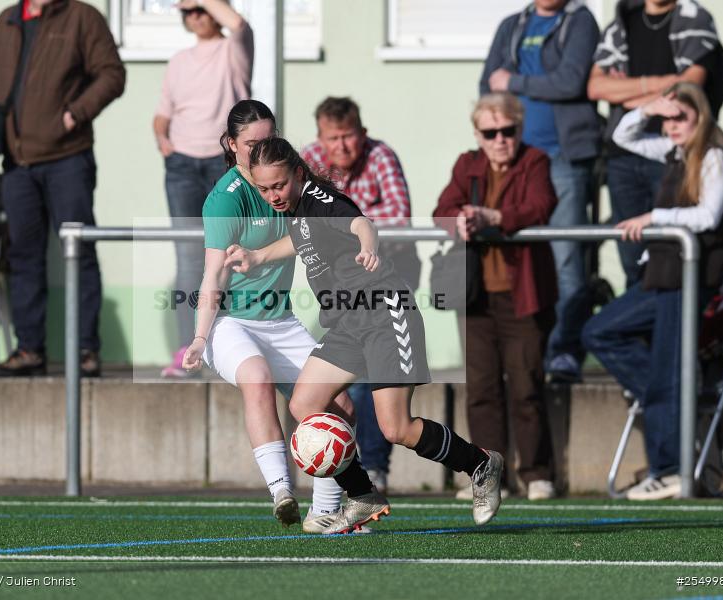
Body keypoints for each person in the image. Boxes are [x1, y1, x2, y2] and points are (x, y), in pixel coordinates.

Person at [225, 136, 505, 535]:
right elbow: (302, 239)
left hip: (385, 315)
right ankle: (362, 494)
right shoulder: (297, 209)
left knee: (397, 429)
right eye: (264, 188)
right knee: (304, 405)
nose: (273, 195)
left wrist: (368, 245)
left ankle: (480, 464)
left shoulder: (319, 198)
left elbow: (359, 222)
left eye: (279, 185)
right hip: (347, 324)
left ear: (299, 174)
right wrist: (257, 256)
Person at [181, 100, 350, 534]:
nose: (260, 151)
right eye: (251, 143)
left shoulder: (289, 180)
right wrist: (200, 339)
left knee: (339, 403)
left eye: (268, 141)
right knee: (256, 377)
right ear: (231, 144)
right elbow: (212, 273)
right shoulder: (226, 200)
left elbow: (318, 226)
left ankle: (325, 513)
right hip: (229, 322)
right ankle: (281, 491)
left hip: (282, 320)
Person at [582, 82, 723, 500]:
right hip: (662, 279)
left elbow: (708, 216)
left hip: (689, 281)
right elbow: (623, 135)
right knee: (599, 331)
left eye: (679, 118)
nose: (671, 126)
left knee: (664, 378)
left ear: (700, 117)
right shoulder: (675, 151)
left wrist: (654, 216)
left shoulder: (714, 156)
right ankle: (672, 400)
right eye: (667, 119)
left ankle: (669, 468)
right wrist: (652, 106)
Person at [0, 0, 125, 377]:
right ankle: (29, 348)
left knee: (78, 251)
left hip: (67, 158)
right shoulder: (6, 21)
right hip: (16, 163)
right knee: (23, 256)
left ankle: (86, 350)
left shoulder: (81, 17)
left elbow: (112, 74)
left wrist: (74, 114)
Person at [433, 93, 559, 501]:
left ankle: (537, 472)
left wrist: (496, 218)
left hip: (522, 294)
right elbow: (441, 210)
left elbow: (541, 205)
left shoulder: (535, 160)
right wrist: (462, 221)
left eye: (508, 131)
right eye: (491, 132)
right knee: (482, 390)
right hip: (475, 297)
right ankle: (487, 475)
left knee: (526, 385)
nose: (501, 139)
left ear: (520, 130)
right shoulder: (466, 164)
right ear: (478, 134)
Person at [300, 96, 419, 491]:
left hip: (386, 283)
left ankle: (376, 462)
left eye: (348, 136)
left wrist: (348, 223)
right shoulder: (307, 164)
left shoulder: (382, 156)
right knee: (310, 400)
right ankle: (358, 484)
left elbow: (399, 216)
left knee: (378, 397)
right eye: (333, 138)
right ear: (320, 138)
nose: (341, 146)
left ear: (362, 133)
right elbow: (299, 225)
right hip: (339, 294)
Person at [481, 0, 601, 383]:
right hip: (516, 161)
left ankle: (564, 351)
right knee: (517, 262)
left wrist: (513, 81)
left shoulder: (580, 22)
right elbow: (487, 86)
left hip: (563, 157)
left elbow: (570, 80)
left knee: (566, 260)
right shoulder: (512, 25)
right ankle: (526, 354)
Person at [588, 0, 723, 287]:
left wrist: (627, 93)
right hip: (624, 156)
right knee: (631, 256)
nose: (668, 113)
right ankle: (638, 323)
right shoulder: (620, 25)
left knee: (667, 256)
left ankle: (667, 325)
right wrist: (655, 92)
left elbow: (689, 88)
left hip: (672, 155)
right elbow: (596, 87)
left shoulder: (694, 20)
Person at [154, 0, 254, 378]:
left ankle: (233, 347)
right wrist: (162, 139)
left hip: (221, 164)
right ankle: (188, 351)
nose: (194, 15)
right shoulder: (179, 60)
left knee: (230, 256)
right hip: (180, 164)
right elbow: (162, 113)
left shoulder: (233, 50)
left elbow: (240, 25)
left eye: (200, 8)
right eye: (187, 10)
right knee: (187, 259)